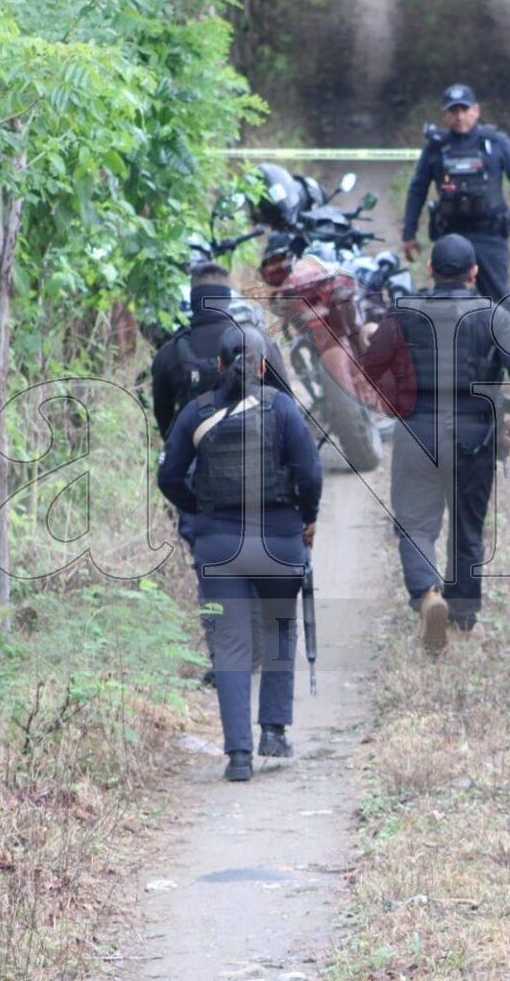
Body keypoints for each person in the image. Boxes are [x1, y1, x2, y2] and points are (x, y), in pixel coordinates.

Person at [157, 326, 322, 781]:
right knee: (279, 629)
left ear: (219, 365)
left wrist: (202, 509)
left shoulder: (196, 413)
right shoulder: (284, 409)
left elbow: (169, 478)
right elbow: (309, 474)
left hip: (217, 544)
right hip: (281, 540)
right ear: (265, 365)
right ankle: (273, 730)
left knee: (229, 645)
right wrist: (308, 516)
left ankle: (239, 756)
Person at [359, 234, 510, 651]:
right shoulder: (493, 317)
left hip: (416, 431)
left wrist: (394, 398)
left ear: (430, 271)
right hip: (474, 435)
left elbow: (369, 368)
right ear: (474, 274)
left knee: (415, 524)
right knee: (467, 526)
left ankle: (427, 594)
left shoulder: (403, 313)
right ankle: (462, 617)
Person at [401, 84, 510, 308]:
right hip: (451, 235)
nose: (460, 117)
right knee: (449, 302)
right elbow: (417, 189)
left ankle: (502, 343)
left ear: (476, 111)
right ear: (445, 115)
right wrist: (409, 234)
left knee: (498, 301)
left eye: (464, 110)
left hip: (490, 235)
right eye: (453, 111)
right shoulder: (436, 147)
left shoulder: (496, 142)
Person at [151, 266, 292, 441]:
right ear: (227, 300)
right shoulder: (259, 342)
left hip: (197, 457)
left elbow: (163, 418)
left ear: (193, 301)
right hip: (257, 454)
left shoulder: (168, 353)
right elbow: (287, 401)